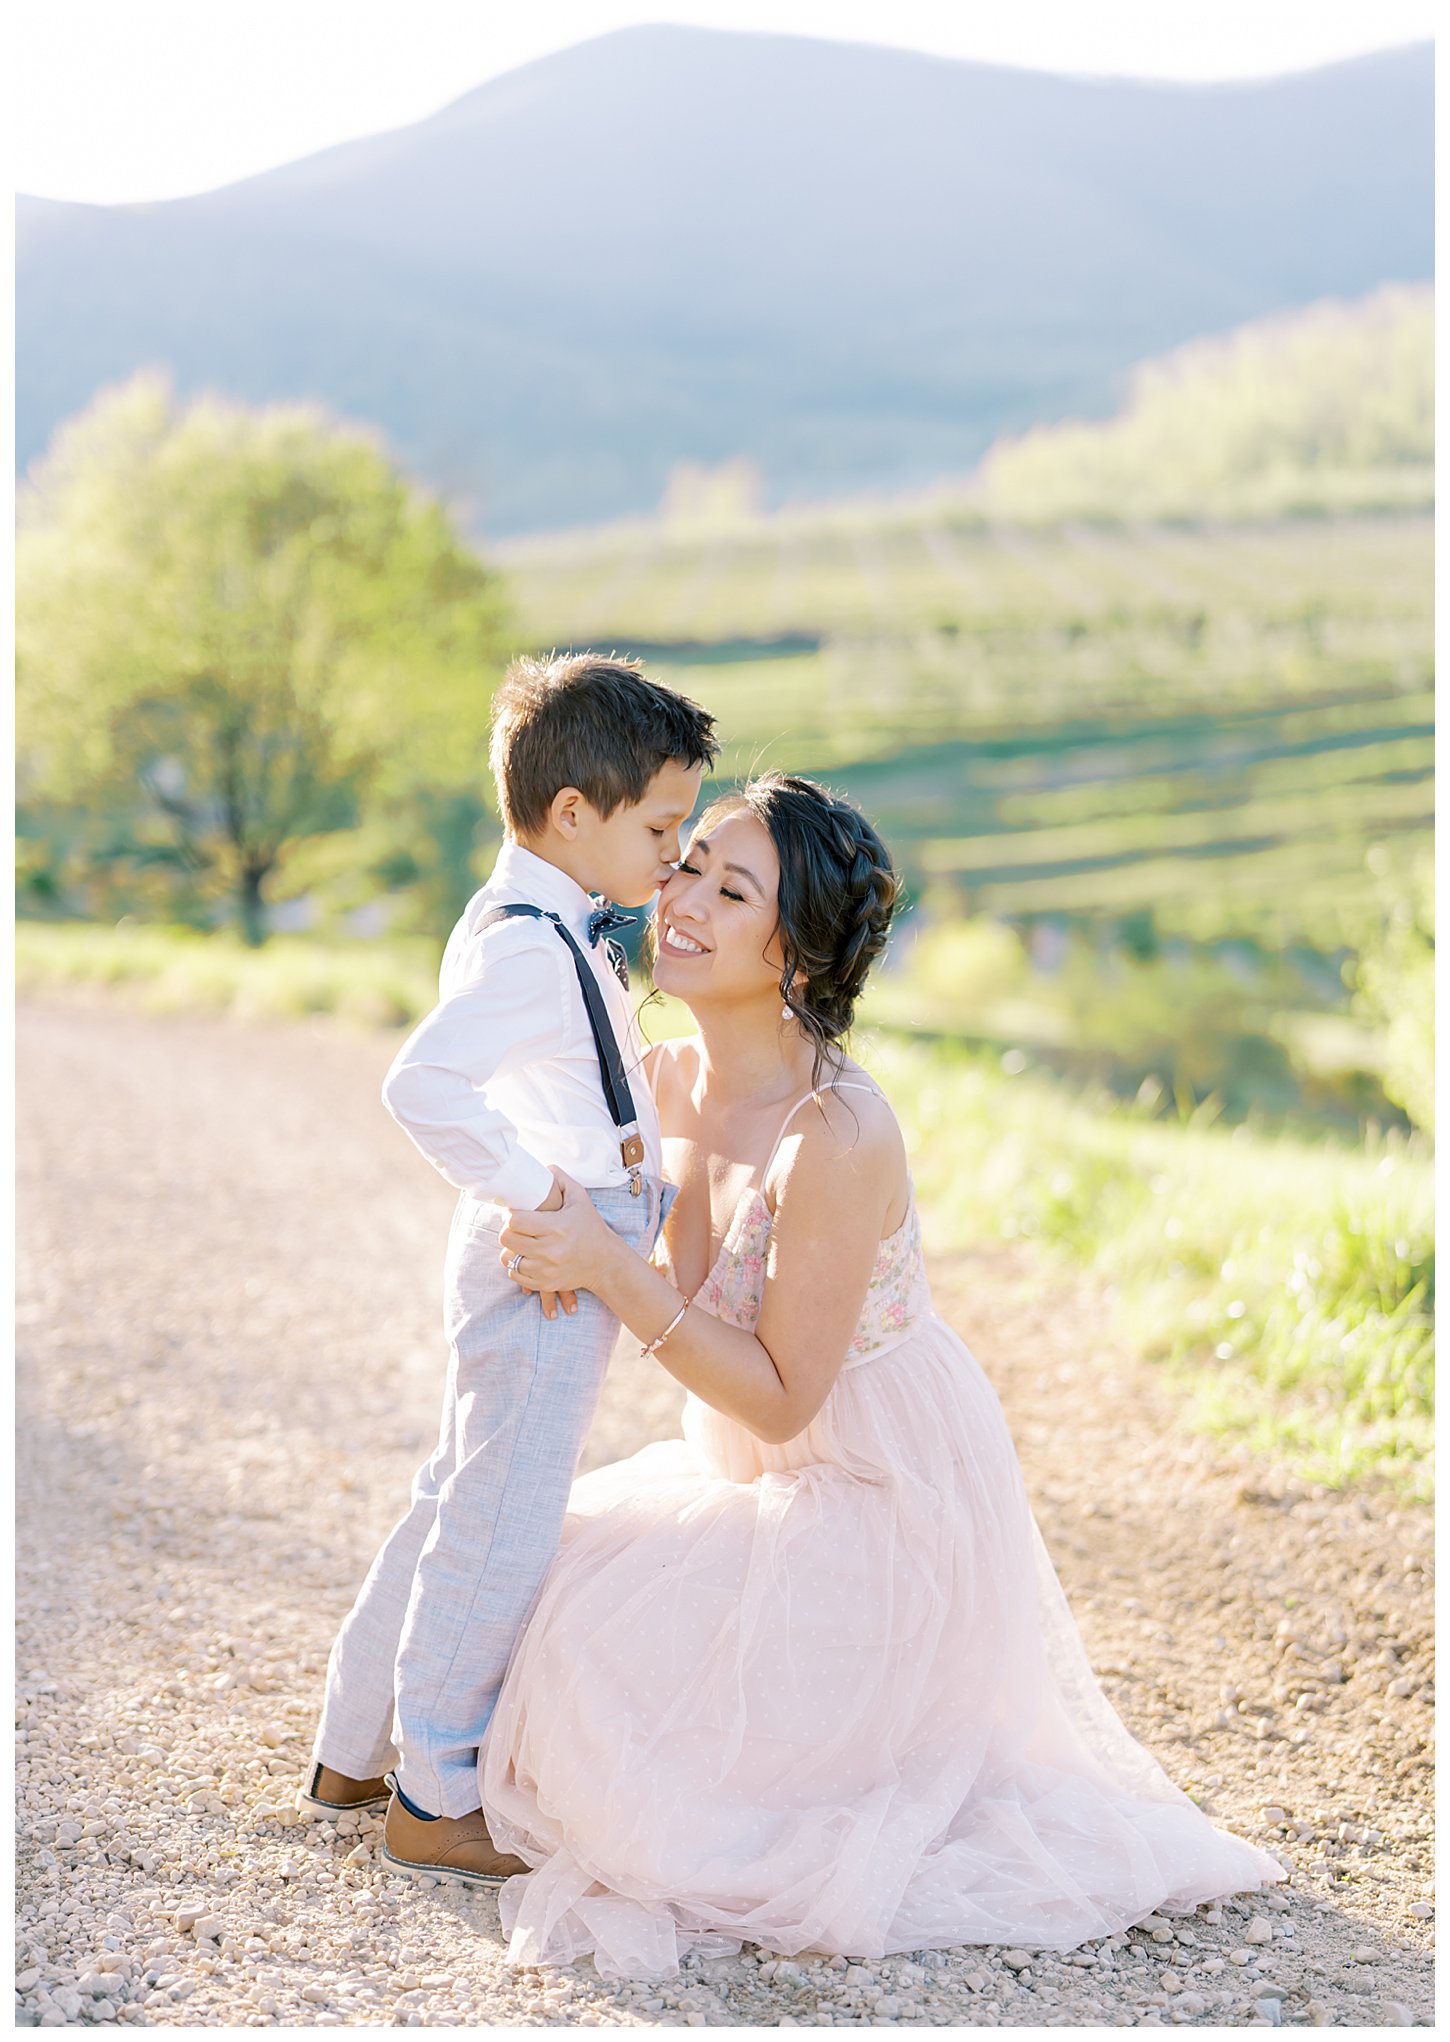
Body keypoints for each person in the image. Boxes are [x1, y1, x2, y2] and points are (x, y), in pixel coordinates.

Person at [486, 772, 1285, 1977]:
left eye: (731, 886)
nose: (683, 897)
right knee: (528, 1605)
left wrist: (604, 1261)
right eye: (689, 862)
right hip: (744, 1479)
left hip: (876, 1503)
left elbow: (780, 1395)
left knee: (629, 1738)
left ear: (796, 952)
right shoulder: (655, 1080)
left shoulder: (839, 1132)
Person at [304, 654, 718, 1886]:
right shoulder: (532, 947)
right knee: (502, 1519)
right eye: (661, 825)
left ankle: (354, 1742)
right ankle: (436, 1786)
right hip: (549, 1251)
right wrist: (543, 1192)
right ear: (574, 814)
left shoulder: (540, 921)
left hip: (550, 1232)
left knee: (454, 1489)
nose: (675, 852)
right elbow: (418, 1083)